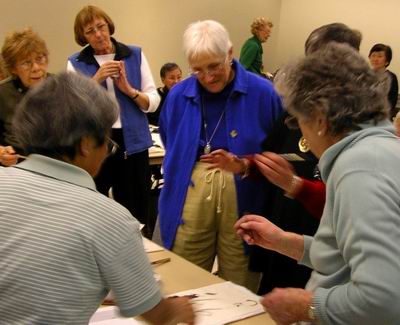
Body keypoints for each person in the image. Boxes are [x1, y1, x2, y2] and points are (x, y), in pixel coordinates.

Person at [0, 72, 194, 325]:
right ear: (85, 144)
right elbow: (155, 313)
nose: (106, 153)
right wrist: (178, 309)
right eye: (107, 141)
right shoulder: (108, 217)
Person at [235, 43, 400, 325]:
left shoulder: (358, 168)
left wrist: (306, 306)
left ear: (321, 120)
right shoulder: (377, 151)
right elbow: (345, 258)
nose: (303, 135)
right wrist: (284, 242)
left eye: (299, 121)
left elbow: (383, 299)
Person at [204, 23, 361, 295]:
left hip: (322, 237)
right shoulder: (297, 106)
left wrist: (295, 184)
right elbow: (272, 155)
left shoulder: (357, 120)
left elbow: (349, 203)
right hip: (284, 225)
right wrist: (243, 164)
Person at [159, 20, 283, 292]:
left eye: (214, 66)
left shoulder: (263, 93)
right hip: (190, 188)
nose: (208, 76)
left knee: (240, 276)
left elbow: (277, 150)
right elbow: (170, 140)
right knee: (185, 271)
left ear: (230, 52)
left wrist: (243, 165)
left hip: (246, 190)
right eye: (198, 70)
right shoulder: (179, 94)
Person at [67, 5, 160, 234]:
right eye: (90, 31)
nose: (98, 34)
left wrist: (129, 90)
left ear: (109, 26)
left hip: (133, 142)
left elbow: (154, 101)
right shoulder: (76, 62)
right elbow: (72, 108)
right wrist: (95, 80)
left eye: (101, 27)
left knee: (137, 208)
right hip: (96, 143)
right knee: (95, 209)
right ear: (83, 37)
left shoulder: (134, 54)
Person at [0, 28, 50, 167]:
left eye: (40, 59)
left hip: (57, 169)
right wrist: (1, 152)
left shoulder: (61, 87)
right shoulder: (2, 93)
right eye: (26, 63)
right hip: (17, 169)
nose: (36, 67)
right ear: (13, 69)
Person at [369, 43, 399, 118]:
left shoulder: (391, 77)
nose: (376, 59)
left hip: (382, 116)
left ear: (387, 61)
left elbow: (392, 101)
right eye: (373, 55)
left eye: (380, 56)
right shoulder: (364, 74)